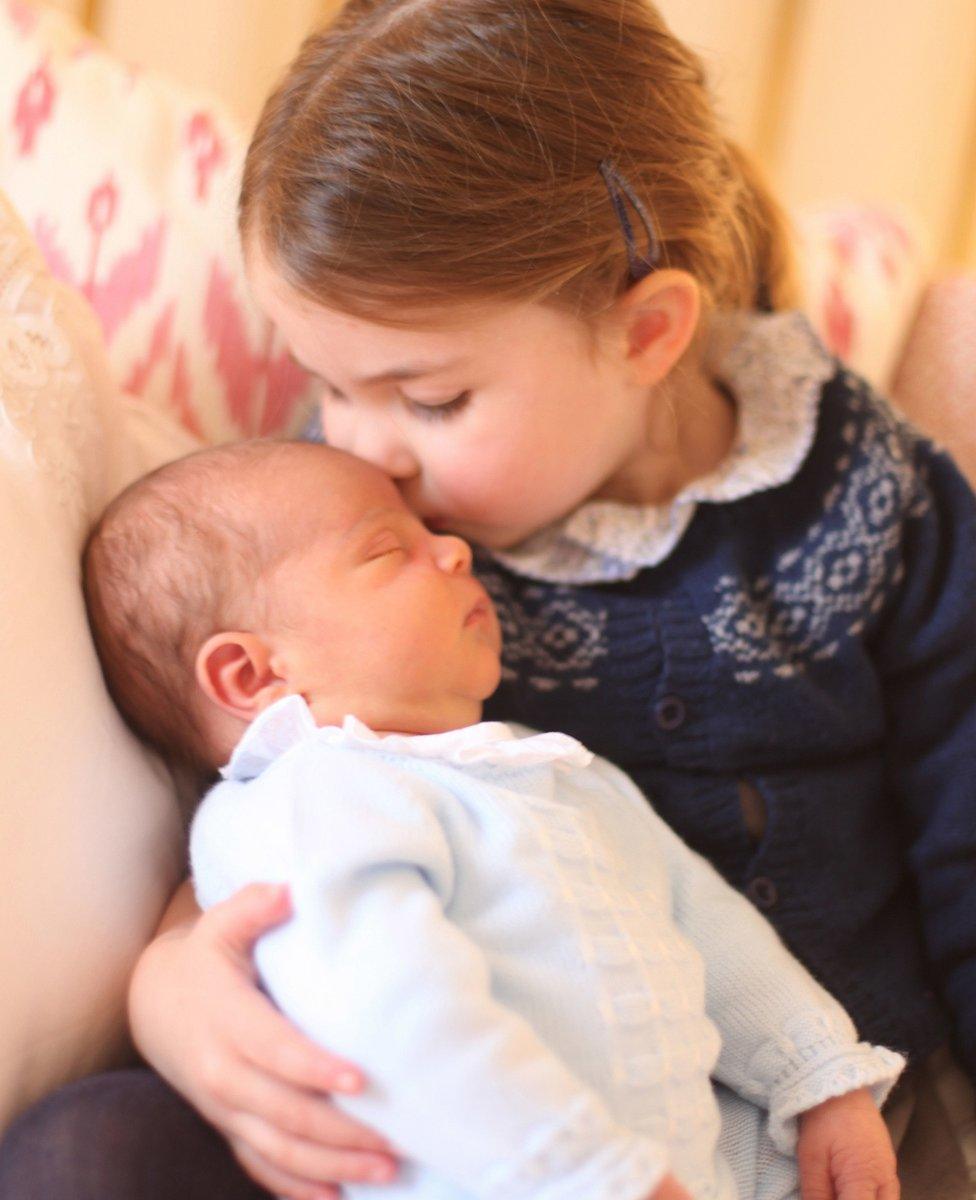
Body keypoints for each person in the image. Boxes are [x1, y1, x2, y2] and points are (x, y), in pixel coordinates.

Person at [1, 0, 975, 1197]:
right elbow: (260, 780)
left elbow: (963, 823)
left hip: (812, 1122)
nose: (368, 449)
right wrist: (167, 985)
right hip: (448, 1097)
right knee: (87, 1153)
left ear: (648, 331)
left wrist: (846, 1081)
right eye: (326, 383)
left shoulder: (872, 498)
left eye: (430, 398)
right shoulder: (353, 519)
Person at [87, 437, 903, 1200]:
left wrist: (815, 1076)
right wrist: (589, 1173)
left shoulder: (559, 775)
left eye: (429, 533)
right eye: (386, 549)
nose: (454, 551)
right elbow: (390, 1013)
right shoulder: (311, 799)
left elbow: (707, 927)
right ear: (252, 672)